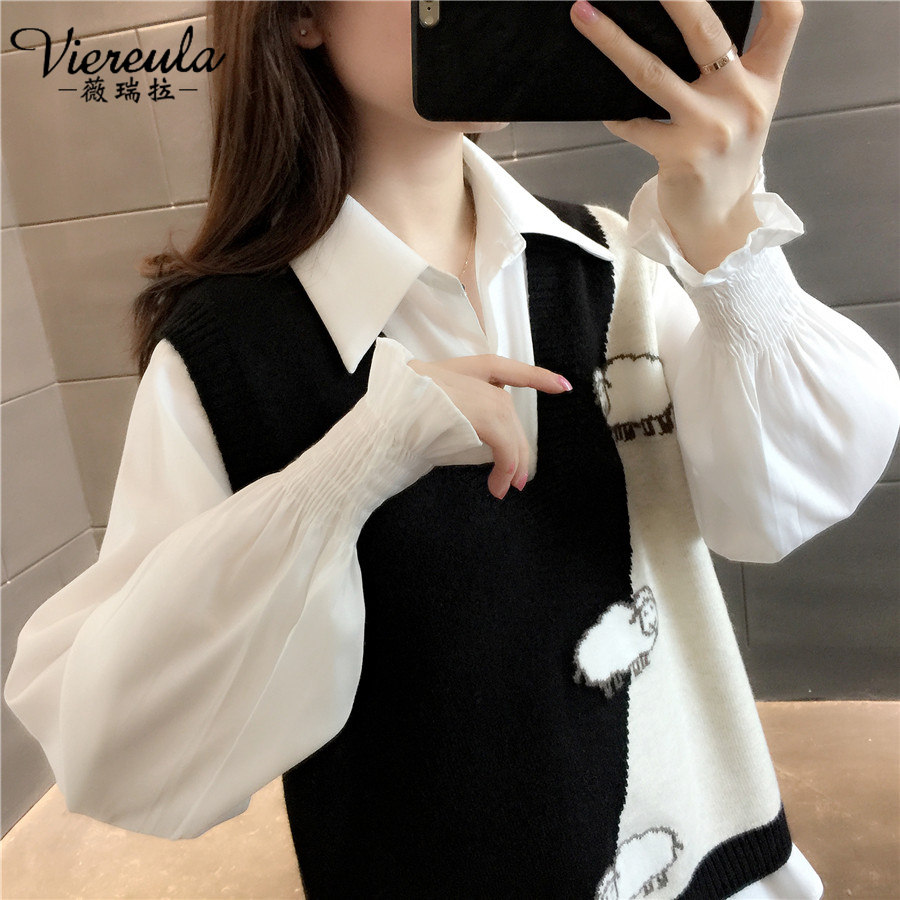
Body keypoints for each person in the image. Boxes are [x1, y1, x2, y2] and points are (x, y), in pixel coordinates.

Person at [5, 1, 899, 897]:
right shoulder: (221, 356)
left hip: (707, 866)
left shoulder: (615, 265)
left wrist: (735, 251)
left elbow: (777, 506)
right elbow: (120, 748)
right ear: (301, 15)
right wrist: (349, 469)